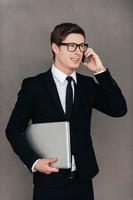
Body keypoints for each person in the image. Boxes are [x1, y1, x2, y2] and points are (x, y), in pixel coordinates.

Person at [6, 22, 127, 200]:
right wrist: (34, 162)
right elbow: (14, 129)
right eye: (71, 46)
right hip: (49, 182)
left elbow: (119, 109)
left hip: (83, 181)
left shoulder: (87, 86)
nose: (78, 51)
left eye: (82, 46)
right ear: (55, 47)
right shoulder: (34, 86)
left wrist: (100, 71)